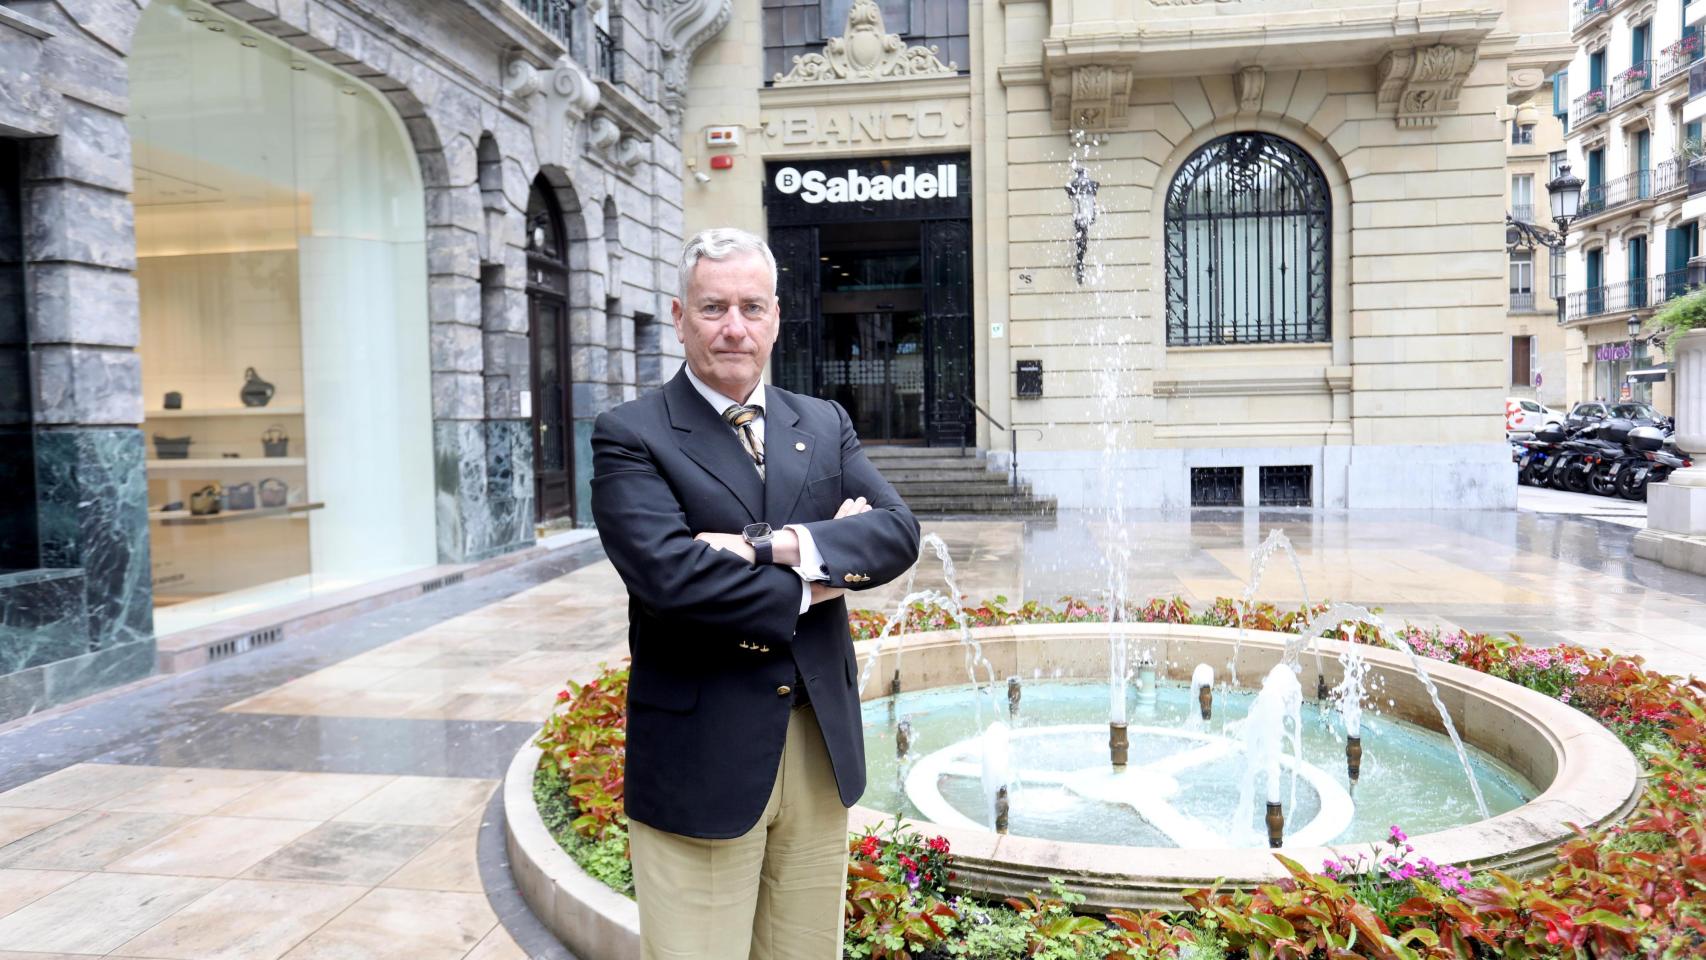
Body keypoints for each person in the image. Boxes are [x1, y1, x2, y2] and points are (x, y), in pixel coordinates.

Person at [591, 227, 921, 960]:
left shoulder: (824, 422)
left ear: (775, 317)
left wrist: (767, 548)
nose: (734, 328)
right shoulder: (631, 435)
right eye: (713, 308)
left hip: (817, 746)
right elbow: (673, 580)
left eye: (751, 307)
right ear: (680, 317)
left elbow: (897, 534)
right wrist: (820, 575)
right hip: (703, 755)